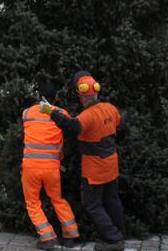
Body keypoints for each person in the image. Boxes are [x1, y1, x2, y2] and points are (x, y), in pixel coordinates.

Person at [41, 71, 126, 251]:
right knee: (112, 199)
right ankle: (119, 233)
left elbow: (71, 126)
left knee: (92, 204)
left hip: (95, 170)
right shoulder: (110, 108)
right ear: (96, 92)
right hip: (111, 163)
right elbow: (121, 126)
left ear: (80, 95)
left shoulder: (87, 116)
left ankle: (114, 239)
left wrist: (51, 112)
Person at [21, 83, 80, 249]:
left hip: (30, 166)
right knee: (57, 199)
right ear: (57, 98)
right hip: (52, 167)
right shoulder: (62, 114)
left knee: (33, 203)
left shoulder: (26, 113)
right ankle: (71, 234)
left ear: (38, 97)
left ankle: (47, 238)